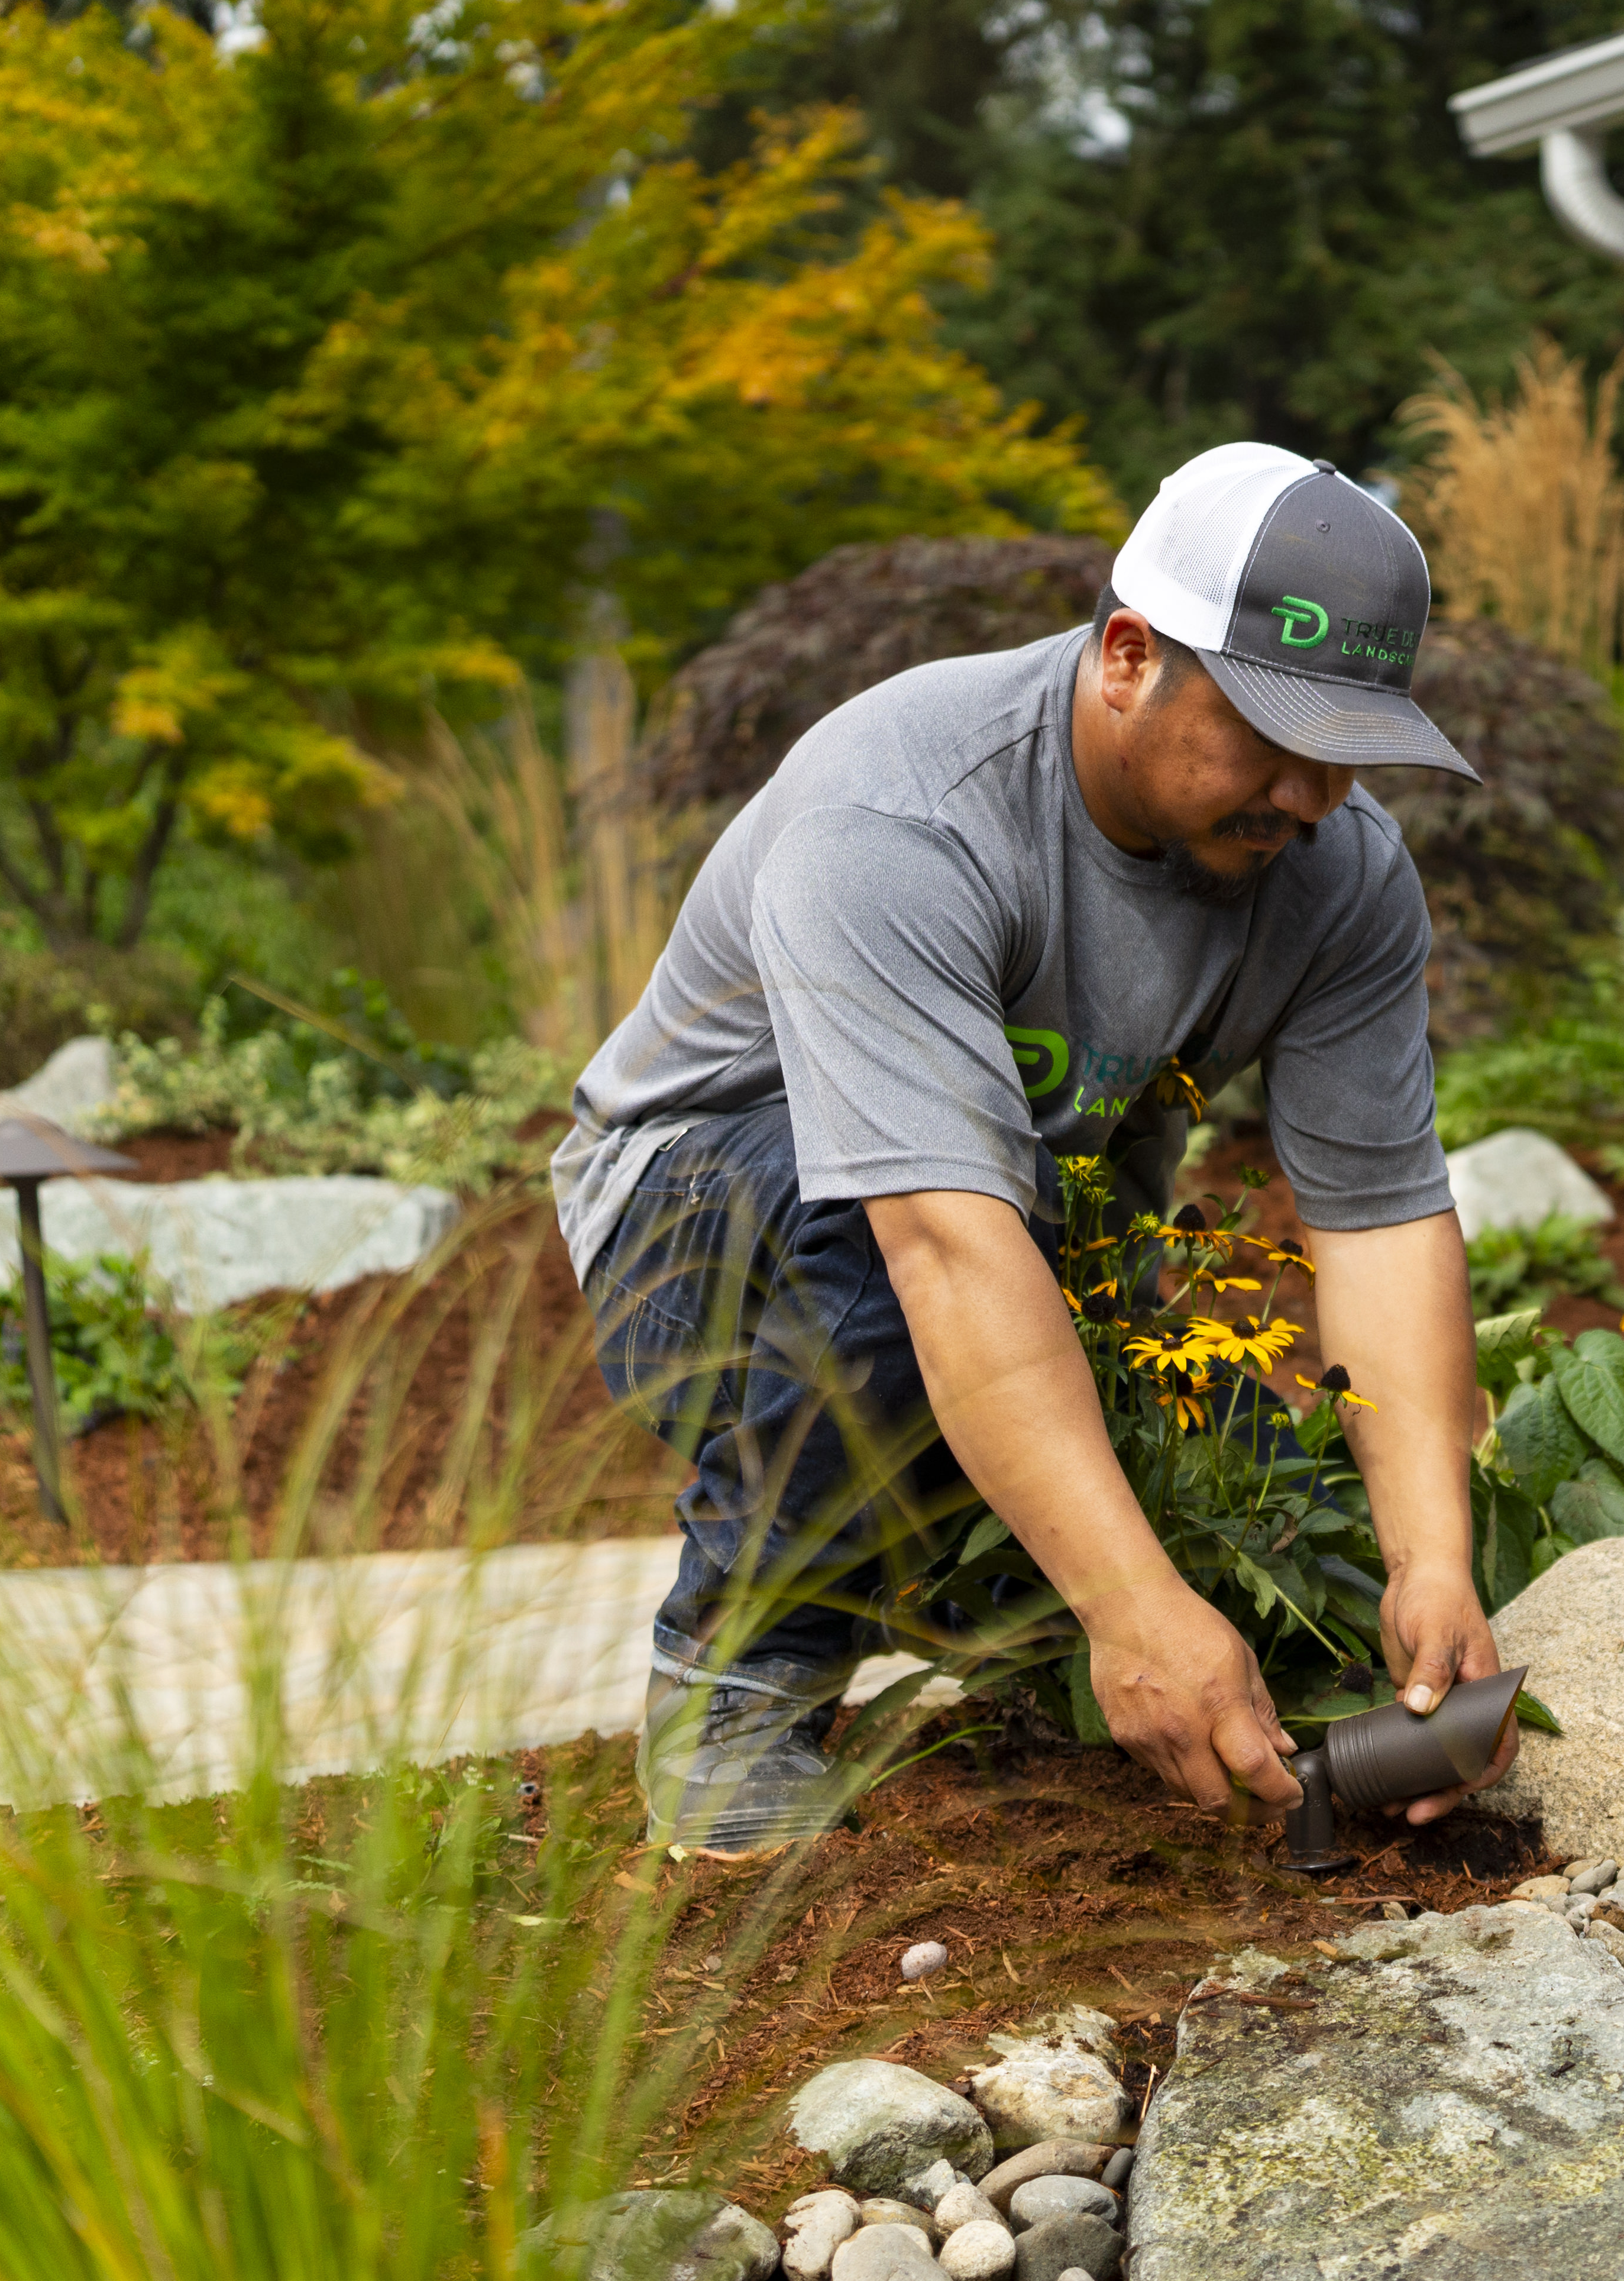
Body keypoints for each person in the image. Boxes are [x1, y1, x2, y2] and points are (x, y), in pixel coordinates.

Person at [552, 444, 1504, 1856]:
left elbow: (1375, 1224)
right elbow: (939, 1245)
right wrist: (1125, 1607)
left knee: (1249, 1514)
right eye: (1268, 738)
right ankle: (739, 1690)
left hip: (1037, 1250)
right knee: (897, 1259)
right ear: (1128, 657)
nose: (1309, 798)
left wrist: (1431, 1560)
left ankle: (947, 1578)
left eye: (1344, 750)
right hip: (709, 1230)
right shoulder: (903, 813)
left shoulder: (1340, 873)